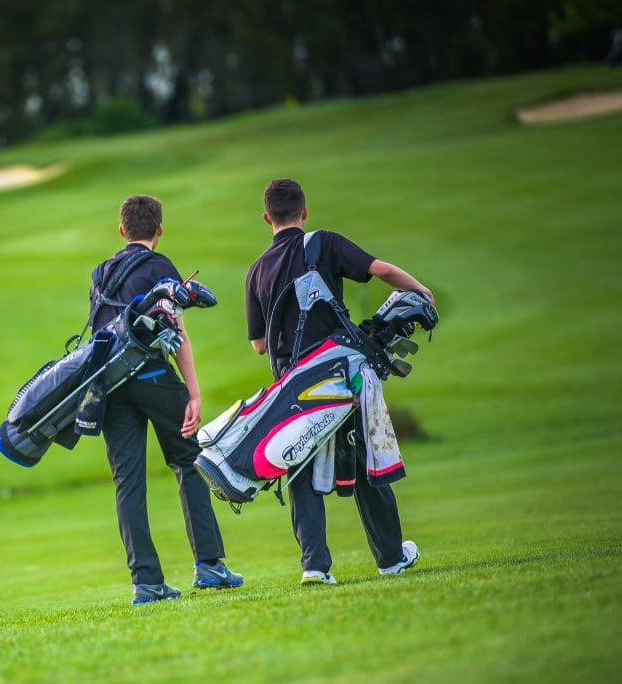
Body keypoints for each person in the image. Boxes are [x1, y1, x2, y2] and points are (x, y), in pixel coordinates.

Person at [245, 178, 435, 585]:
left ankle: (315, 566)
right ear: (305, 210)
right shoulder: (323, 243)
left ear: (267, 218)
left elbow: (260, 346)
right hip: (342, 374)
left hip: (294, 385)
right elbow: (380, 270)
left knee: (301, 470)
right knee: (365, 459)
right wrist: (421, 291)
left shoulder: (257, 270)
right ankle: (389, 557)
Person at [92, 194, 243, 604]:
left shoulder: (102, 272)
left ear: (122, 230)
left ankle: (146, 582)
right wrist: (193, 392)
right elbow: (177, 333)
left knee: (128, 481)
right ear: (159, 230)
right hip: (154, 375)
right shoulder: (160, 267)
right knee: (189, 460)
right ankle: (209, 565)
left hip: (110, 382)